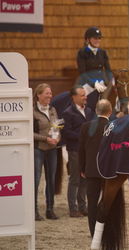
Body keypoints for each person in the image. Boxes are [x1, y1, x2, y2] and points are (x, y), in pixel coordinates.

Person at [78, 99, 112, 237]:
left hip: (91, 170)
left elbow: (81, 150)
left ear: (96, 111)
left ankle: (94, 233)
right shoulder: (113, 126)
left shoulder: (86, 126)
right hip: (109, 172)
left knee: (91, 203)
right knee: (109, 202)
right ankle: (108, 230)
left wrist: (82, 168)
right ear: (110, 111)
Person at [62, 86, 95, 218]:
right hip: (75, 150)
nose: (85, 97)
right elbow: (66, 132)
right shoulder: (67, 113)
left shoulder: (89, 111)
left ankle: (83, 206)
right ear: (74, 97)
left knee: (84, 179)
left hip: (87, 150)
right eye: (82, 95)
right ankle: (73, 208)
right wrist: (82, 136)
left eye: (85, 95)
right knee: (75, 179)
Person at [33, 83, 61, 221]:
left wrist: (57, 137)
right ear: (38, 95)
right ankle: (34, 211)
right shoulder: (32, 111)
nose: (50, 96)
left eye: (50, 93)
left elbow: (56, 127)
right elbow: (30, 133)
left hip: (52, 150)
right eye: (47, 93)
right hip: (38, 149)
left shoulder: (53, 110)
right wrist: (46, 139)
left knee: (51, 180)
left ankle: (50, 209)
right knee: (36, 180)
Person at [76, 27, 112, 110]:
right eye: (95, 38)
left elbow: (108, 70)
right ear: (88, 39)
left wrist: (110, 80)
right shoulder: (82, 52)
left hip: (101, 84)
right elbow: (82, 73)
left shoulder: (102, 52)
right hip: (87, 84)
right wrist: (93, 83)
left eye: (99, 38)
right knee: (81, 102)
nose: (98, 40)